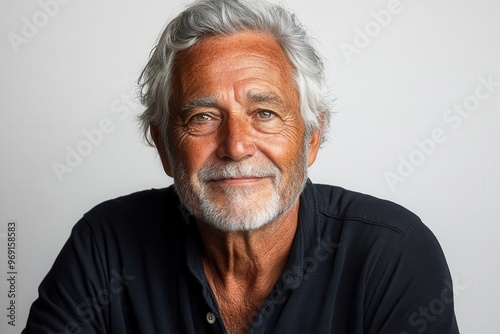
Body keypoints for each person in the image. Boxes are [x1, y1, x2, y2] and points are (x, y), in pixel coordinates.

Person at [23, 0, 459, 333]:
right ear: (162, 146)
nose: (235, 146)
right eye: (203, 118)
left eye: (265, 113)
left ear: (311, 138)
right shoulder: (106, 245)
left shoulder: (393, 254)